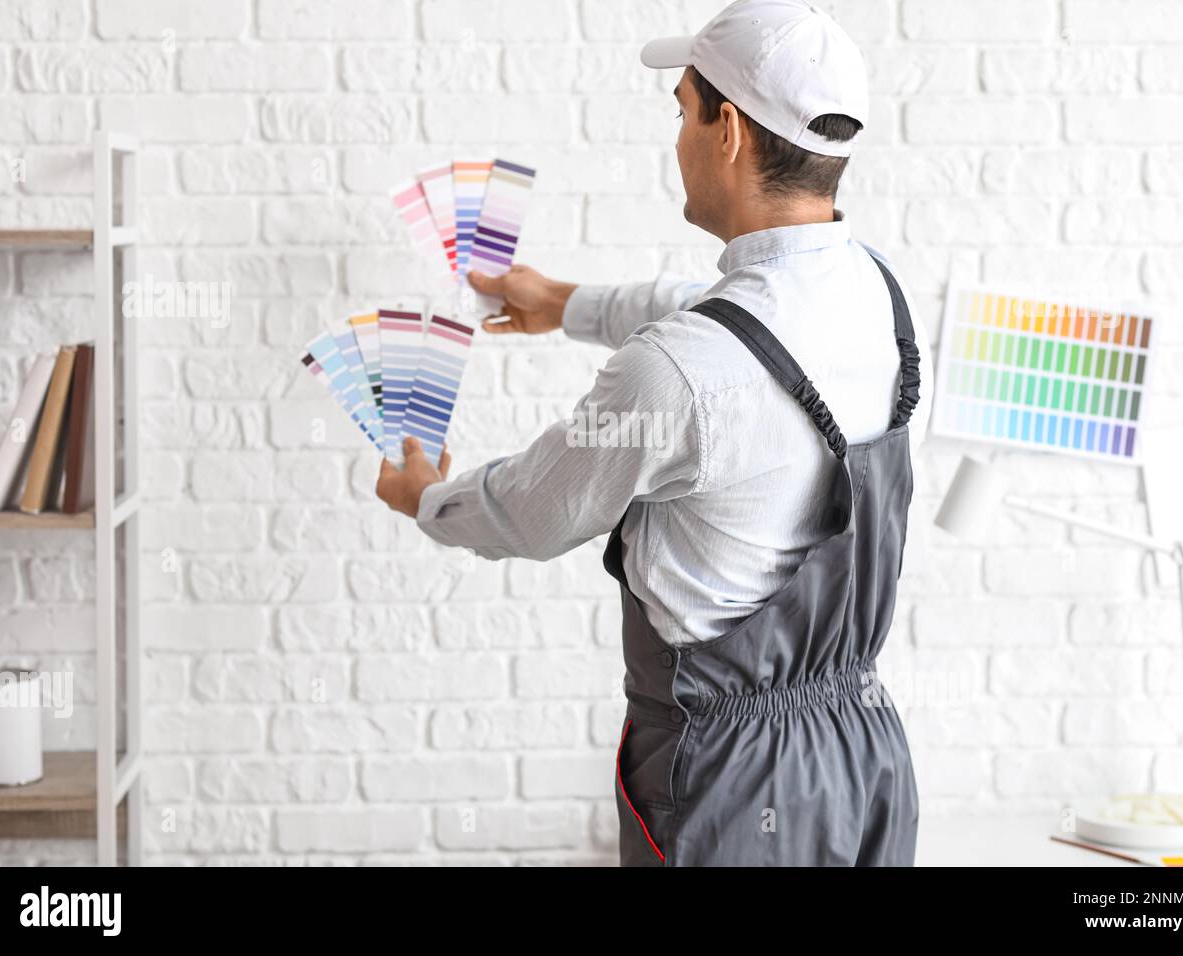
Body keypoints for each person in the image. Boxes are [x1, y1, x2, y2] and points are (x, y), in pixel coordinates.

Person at [376, 0, 934, 866]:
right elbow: (723, 322)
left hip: (730, 785)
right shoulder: (874, 292)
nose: (676, 134)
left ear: (730, 133)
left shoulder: (675, 372)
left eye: (683, 109)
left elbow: (533, 510)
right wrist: (562, 303)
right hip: (864, 757)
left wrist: (427, 499)